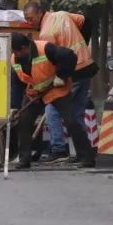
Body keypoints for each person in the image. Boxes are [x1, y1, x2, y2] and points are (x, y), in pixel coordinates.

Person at [24, 1, 97, 164]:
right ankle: (83, 152)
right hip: (86, 65)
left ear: (40, 13)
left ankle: (58, 149)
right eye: (26, 20)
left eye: (31, 18)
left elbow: (52, 63)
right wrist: (83, 44)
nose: (30, 22)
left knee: (52, 108)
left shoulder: (45, 35)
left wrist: (52, 81)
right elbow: (86, 21)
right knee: (76, 112)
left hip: (73, 70)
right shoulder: (62, 14)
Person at [9, 33, 93, 169]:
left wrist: (61, 75)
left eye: (16, 51)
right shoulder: (15, 59)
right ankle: (24, 159)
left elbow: (70, 56)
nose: (15, 54)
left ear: (24, 47)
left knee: (71, 121)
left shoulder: (46, 48)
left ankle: (86, 157)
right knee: (24, 121)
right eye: (13, 52)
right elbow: (16, 83)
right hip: (34, 92)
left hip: (55, 89)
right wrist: (14, 106)